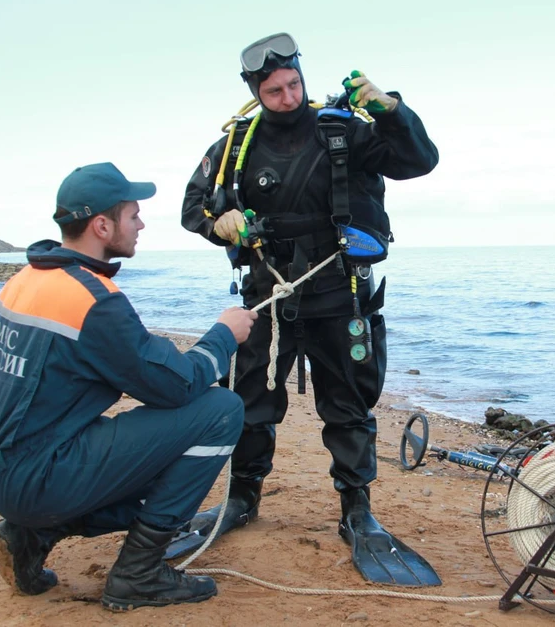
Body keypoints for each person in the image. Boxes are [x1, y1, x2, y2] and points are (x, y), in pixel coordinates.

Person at [181, 32, 440, 586]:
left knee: (347, 407)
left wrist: (391, 110)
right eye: (274, 90)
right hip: (268, 297)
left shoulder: (342, 129)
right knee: (249, 404)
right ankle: (242, 498)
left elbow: (420, 160)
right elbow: (192, 207)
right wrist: (217, 223)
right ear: (255, 91)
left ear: (302, 75)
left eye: (293, 84)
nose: (288, 97)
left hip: (339, 294)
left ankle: (357, 511)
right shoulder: (236, 144)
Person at [0, 162, 258, 610]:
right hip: (38, 480)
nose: (141, 224)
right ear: (102, 226)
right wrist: (225, 334)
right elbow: (176, 386)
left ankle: (30, 535)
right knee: (220, 410)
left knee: (148, 442)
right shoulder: (91, 301)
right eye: (133, 215)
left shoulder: (26, 280)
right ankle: (138, 573)